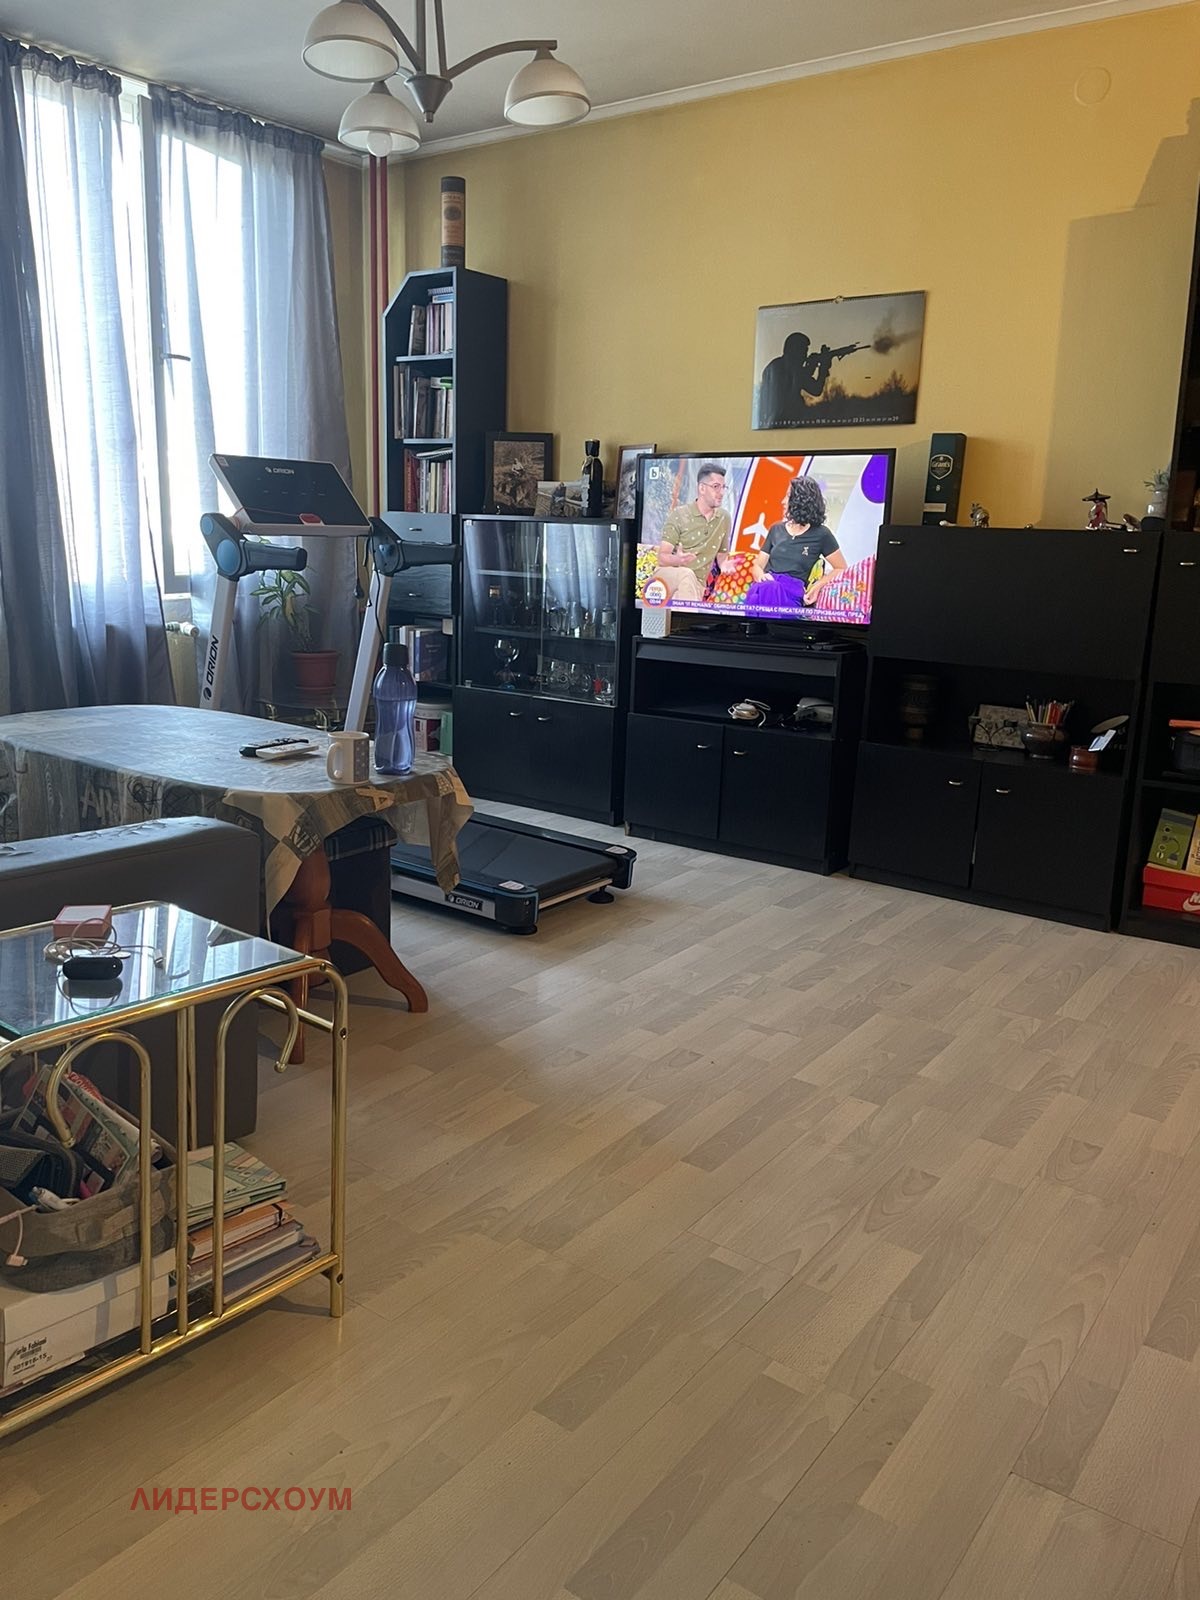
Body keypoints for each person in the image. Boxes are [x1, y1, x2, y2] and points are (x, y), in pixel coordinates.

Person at [741, 475, 847, 610]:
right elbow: (758, 565)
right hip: (766, 585)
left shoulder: (822, 534)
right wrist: (761, 577)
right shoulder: (776, 529)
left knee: (769, 591)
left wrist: (817, 586)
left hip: (791, 592)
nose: (783, 501)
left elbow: (840, 568)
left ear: (800, 501)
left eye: (788, 496)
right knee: (764, 590)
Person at [652, 463, 732, 601]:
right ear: (702, 488)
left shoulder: (724, 518)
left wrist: (725, 564)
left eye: (723, 487)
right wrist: (678, 560)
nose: (721, 493)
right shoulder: (679, 514)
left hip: (696, 584)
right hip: (667, 577)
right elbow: (662, 558)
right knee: (687, 574)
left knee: (685, 588)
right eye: (716, 487)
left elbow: (722, 554)